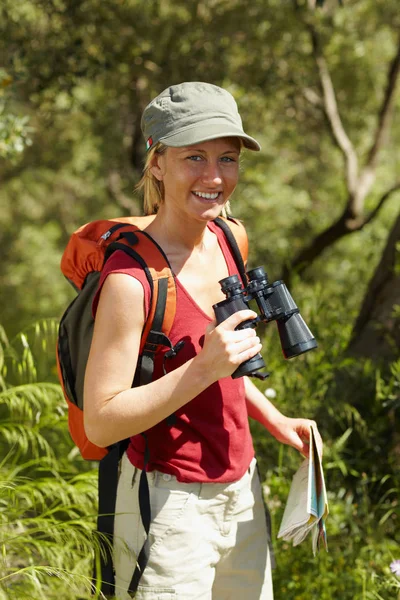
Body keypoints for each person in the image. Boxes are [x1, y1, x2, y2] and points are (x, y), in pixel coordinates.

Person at [83, 81, 323, 600]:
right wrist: (203, 369)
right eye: (194, 156)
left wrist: (273, 420)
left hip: (241, 490)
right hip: (166, 505)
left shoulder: (228, 237)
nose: (214, 177)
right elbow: (101, 420)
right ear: (157, 163)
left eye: (228, 158)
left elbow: (225, 362)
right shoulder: (130, 281)